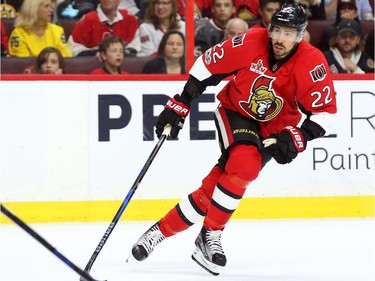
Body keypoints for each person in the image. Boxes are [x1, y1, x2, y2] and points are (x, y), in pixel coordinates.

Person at [128, 3, 337, 276]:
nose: (280, 39)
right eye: (277, 31)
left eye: (288, 33)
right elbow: (206, 66)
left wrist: (299, 135)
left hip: (275, 129)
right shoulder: (251, 41)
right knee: (245, 166)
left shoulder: (312, 62)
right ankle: (209, 235)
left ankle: (159, 231)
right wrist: (181, 102)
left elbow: (325, 114)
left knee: (218, 186)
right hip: (236, 112)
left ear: (300, 36)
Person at [67, 0, 140, 56]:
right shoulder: (87, 20)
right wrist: (96, 53)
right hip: (93, 68)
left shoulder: (129, 19)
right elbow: (73, 48)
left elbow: (135, 48)